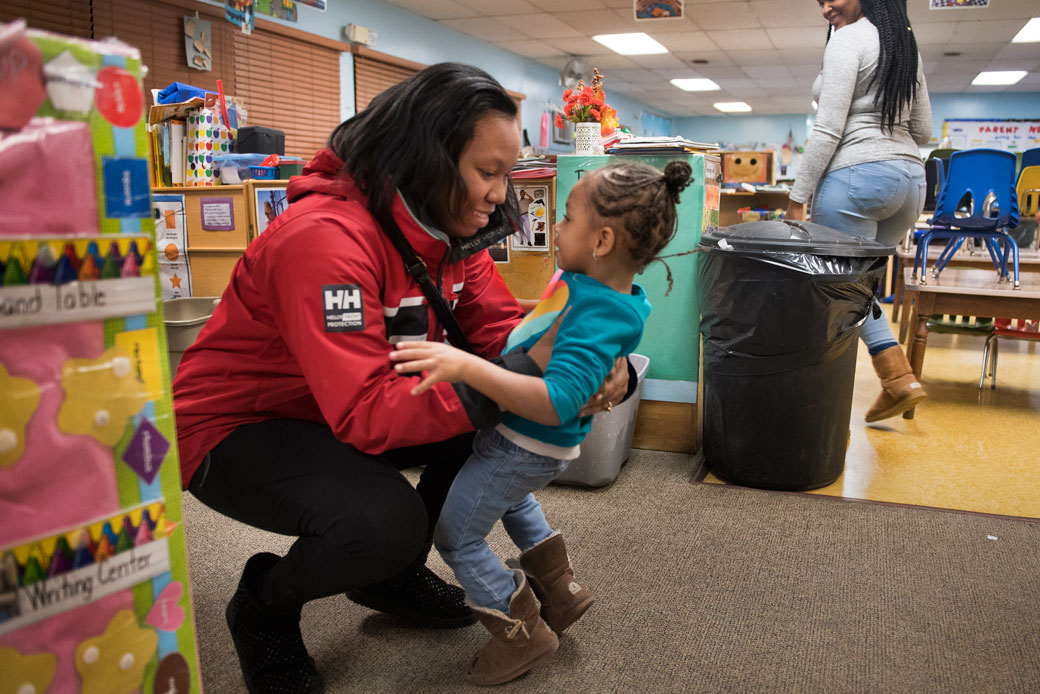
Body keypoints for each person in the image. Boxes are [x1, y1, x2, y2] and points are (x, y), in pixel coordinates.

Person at [172, 63, 630, 694]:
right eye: (487, 172)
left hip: (344, 408)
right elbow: (367, 410)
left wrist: (611, 369)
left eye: (507, 173)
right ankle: (263, 604)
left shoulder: (448, 232)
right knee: (386, 521)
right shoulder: (323, 241)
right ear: (427, 157)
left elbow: (504, 336)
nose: (501, 194)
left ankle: (388, 576)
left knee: (488, 433)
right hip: (236, 427)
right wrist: (507, 381)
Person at [389, 160, 692, 685]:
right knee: (512, 500)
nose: (553, 225)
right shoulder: (586, 286)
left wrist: (468, 368)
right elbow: (548, 318)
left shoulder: (595, 315)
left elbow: (557, 401)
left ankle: (520, 631)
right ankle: (560, 587)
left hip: (525, 442)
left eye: (565, 218)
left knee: (457, 537)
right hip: (522, 447)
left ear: (600, 241)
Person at [786, 0, 932, 422]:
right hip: (910, 183)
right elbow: (922, 129)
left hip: (857, 178)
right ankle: (898, 380)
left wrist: (797, 198)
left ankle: (896, 377)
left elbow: (828, 128)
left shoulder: (848, 39)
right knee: (859, 288)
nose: (826, 6)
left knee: (840, 289)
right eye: (818, 1)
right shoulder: (905, 43)